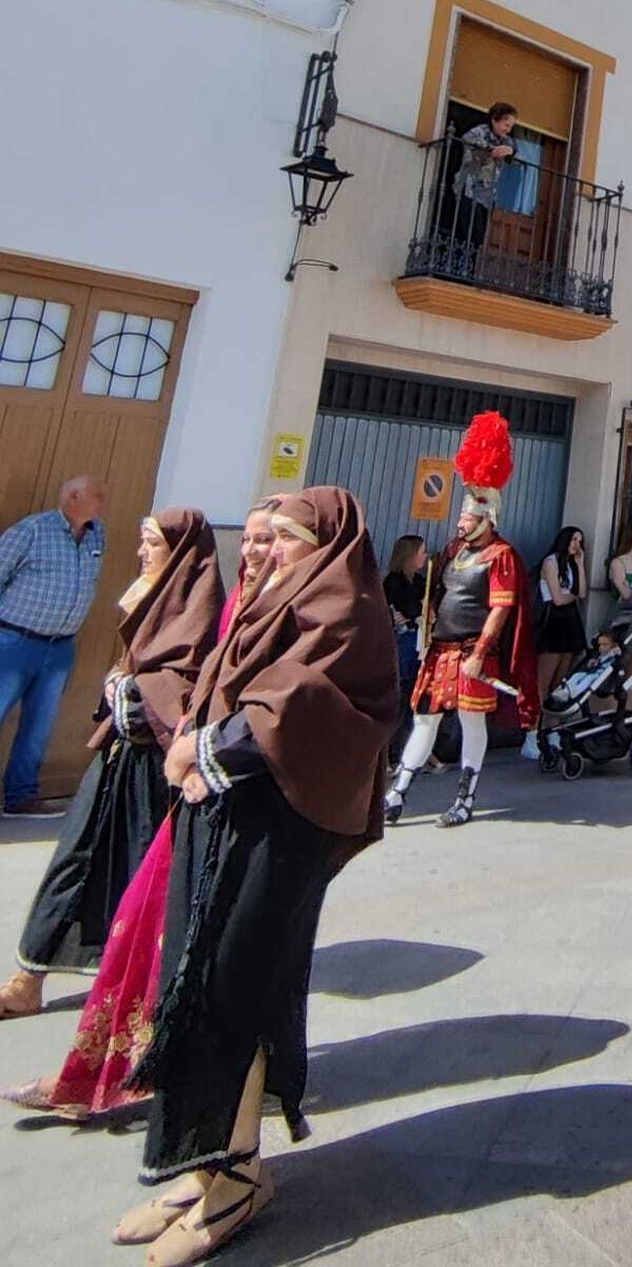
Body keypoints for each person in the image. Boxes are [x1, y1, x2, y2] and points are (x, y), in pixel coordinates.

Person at [108, 487, 396, 1262]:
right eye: (265, 539)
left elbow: (306, 703)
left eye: (288, 540)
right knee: (196, 978)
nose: (267, 552)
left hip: (280, 832)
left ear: (327, 547)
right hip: (223, 822)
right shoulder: (269, 602)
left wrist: (213, 748)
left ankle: (235, 1175)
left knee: (235, 987)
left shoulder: (348, 611)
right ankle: (202, 1162)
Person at [1, 506, 273, 1118]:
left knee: (153, 914)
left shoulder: (217, 606)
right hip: (134, 764)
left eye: (269, 540)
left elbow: (203, 688)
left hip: (172, 781)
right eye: (250, 539)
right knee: (81, 868)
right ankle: (38, 985)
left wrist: (151, 705)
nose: (254, 551)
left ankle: (167, 1068)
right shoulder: (180, 596)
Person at [0, 509, 221, 1024]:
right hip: (117, 755)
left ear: (180, 551)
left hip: (154, 765)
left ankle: (132, 984)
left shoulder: (197, 605)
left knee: (137, 870)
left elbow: (191, 680)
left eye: (152, 544)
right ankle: (27, 977)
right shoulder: (145, 590)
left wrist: (141, 693)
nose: (142, 553)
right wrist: (119, 683)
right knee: (73, 856)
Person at [387, 415, 539, 828]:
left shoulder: (501, 556)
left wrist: (482, 653)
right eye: (462, 516)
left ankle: (466, 797)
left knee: (472, 722)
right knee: (424, 717)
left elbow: (500, 609)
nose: (461, 521)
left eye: (469, 518)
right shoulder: (454, 550)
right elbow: (438, 592)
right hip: (440, 650)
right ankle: (397, 792)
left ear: (488, 518)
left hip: (473, 651)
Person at [0, 477, 109, 815]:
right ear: (73, 497)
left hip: (60, 647)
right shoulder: (32, 530)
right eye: (97, 496)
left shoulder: (96, 534)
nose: (103, 502)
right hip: (14, 641)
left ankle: (20, 797)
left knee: (39, 726)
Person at [449, 102, 518, 277]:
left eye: (511, 126)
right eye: (506, 124)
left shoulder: (506, 140)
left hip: (487, 196)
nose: (508, 129)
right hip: (468, 189)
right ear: (495, 119)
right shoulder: (479, 132)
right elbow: (468, 142)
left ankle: (468, 272)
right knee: (464, 232)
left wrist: (510, 151)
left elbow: (516, 153)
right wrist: (491, 151)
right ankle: (456, 271)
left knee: (477, 236)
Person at [383, 535, 428, 762]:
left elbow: (423, 609)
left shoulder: (420, 582)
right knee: (399, 694)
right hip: (402, 641)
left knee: (413, 696)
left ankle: (406, 750)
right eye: (422, 552)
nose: (425, 556)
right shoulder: (393, 582)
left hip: (418, 639)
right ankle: (390, 752)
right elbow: (400, 612)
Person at [535, 525, 590, 712]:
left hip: (570, 620)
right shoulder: (551, 562)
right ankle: (534, 729)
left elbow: (582, 592)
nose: (576, 545)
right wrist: (572, 596)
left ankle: (552, 726)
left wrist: (581, 563)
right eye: (574, 540)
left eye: (580, 542)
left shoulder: (571, 564)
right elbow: (558, 599)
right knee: (544, 678)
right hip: (554, 620)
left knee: (560, 679)